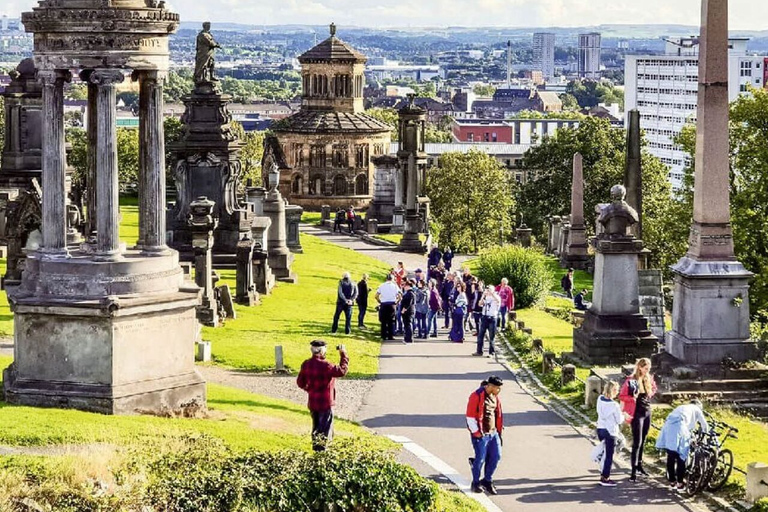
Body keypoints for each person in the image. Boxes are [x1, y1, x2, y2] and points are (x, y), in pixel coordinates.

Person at [297, 340, 349, 451]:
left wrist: (310, 389)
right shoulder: (327, 365)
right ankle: (324, 454)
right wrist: (343, 354)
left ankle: (316, 451)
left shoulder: (306, 364)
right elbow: (342, 371)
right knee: (326, 430)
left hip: (313, 402)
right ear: (322, 351)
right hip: (325, 402)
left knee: (316, 429)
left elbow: (300, 383)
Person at [656, 400, 709, 491]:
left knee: (671, 454)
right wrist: (705, 434)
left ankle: (672, 481)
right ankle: (680, 483)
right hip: (680, 427)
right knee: (681, 456)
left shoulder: (681, 407)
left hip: (668, 426)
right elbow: (704, 424)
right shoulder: (697, 409)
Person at [620, 358, 657, 482]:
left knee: (644, 439)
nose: (648, 371)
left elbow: (654, 389)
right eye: (646, 368)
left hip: (647, 411)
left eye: (649, 369)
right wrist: (632, 398)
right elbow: (622, 395)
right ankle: (633, 470)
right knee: (637, 442)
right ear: (640, 367)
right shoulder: (631, 380)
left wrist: (650, 393)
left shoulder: (648, 378)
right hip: (637, 413)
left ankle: (640, 465)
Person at [466, 375, 504, 495]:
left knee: (496, 456)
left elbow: (497, 413)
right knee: (480, 459)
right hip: (481, 434)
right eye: (497, 388)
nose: (499, 390)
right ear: (490, 386)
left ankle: (487, 480)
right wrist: (477, 433)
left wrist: (498, 430)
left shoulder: (495, 397)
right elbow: (470, 417)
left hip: (493, 433)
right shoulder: (476, 396)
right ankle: (476, 482)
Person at [596, 381, 627, 487]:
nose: (617, 392)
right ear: (613, 390)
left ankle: (603, 473)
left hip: (600, 429)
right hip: (610, 431)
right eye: (616, 390)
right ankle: (605, 477)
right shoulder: (614, 405)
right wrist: (624, 415)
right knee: (609, 455)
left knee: (605, 453)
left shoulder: (600, 399)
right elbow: (619, 420)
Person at [474, 285, 501, 357]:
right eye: (487, 290)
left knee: (491, 336)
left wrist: (492, 294)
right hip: (484, 317)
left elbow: (498, 301)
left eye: (489, 290)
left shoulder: (496, 297)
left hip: (492, 318)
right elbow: (479, 304)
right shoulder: (486, 298)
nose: (488, 291)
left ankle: (491, 353)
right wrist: (483, 296)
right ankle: (479, 351)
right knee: (480, 335)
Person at [376, 274, 400, 341]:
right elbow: (400, 296)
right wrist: (397, 302)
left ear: (386, 279)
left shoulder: (381, 285)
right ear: (392, 279)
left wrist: (380, 301)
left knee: (383, 321)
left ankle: (383, 336)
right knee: (391, 321)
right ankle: (390, 336)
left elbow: (376, 296)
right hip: (392, 305)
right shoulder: (395, 286)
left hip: (384, 304)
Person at [400, 279, 416, 344]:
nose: (404, 287)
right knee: (407, 324)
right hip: (408, 311)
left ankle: (409, 338)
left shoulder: (410, 293)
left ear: (408, 286)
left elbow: (408, 303)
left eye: (405, 285)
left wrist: (404, 309)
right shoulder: (409, 293)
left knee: (408, 324)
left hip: (408, 311)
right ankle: (407, 337)